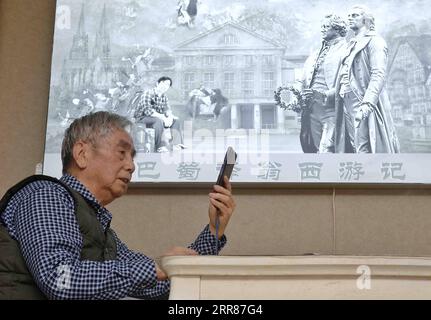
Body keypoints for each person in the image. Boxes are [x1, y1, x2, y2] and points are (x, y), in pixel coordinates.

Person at [0, 111, 236, 299]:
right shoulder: (45, 194)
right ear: (82, 154)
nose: (131, 166)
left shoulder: (101, 229)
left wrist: (214, 231)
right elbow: (60, 279)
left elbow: (157, 287)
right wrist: (158, 268)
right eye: (122, 153)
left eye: (132, 157)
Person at [334, 5, 400, 153]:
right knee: (353, 143)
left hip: (362, 99)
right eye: (349, 15)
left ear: (366, 19)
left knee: (365, 145)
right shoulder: (349, 44)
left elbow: (378, 74)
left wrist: (367, 103)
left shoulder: (375, 41)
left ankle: (369, 173)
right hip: (345, 99)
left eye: (355, 15)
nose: (350, 18)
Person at [293, 14, 347, 153]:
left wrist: (326, 95)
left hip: (332, 109)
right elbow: (302, 78)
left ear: (337, 28)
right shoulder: (315, 54)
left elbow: (349, 80)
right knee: (313, 149)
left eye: (326, 26)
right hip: (311, 110)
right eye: (322, 27)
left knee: (326, 149)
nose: (323, 30)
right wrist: (295, 94)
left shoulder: (346, 50)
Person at [134, 76, 184, 152]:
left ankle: (176, 144)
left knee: (176, 120)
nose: (165, 86)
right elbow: (148, 111)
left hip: (156, 118)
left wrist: (170, 117)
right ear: (157, 84)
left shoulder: (164, 97)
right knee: (158, 121)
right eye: (163, 83)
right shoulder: (148, 93)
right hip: (142, 118)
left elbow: (167, 109)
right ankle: (160, 146)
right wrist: (164, 118)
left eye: (168, 85)